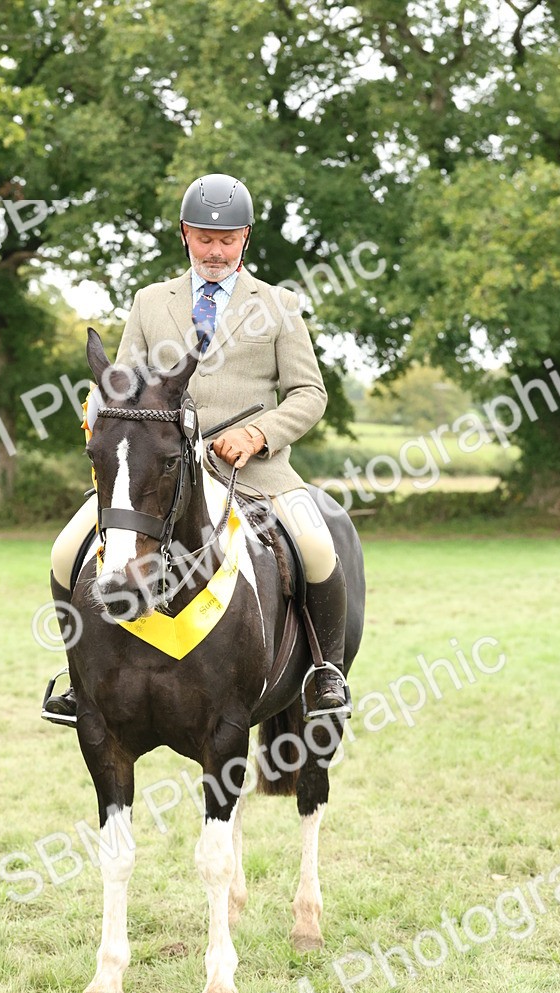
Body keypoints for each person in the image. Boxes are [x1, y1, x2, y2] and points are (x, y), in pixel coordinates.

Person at [43, 172, 349, 722]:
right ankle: (78, 681)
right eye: (205, 239)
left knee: (318, 545)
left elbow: (309, 393)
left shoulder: (279, 305)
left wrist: (259, 435)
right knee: (66, 549)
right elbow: (123, 382)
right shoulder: (149, 301)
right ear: (185, 234)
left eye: (227, 239)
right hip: (156, 476)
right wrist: (98, 407)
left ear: (246, 239)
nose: (215, 250)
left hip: (255, 473)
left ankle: (324, 674)